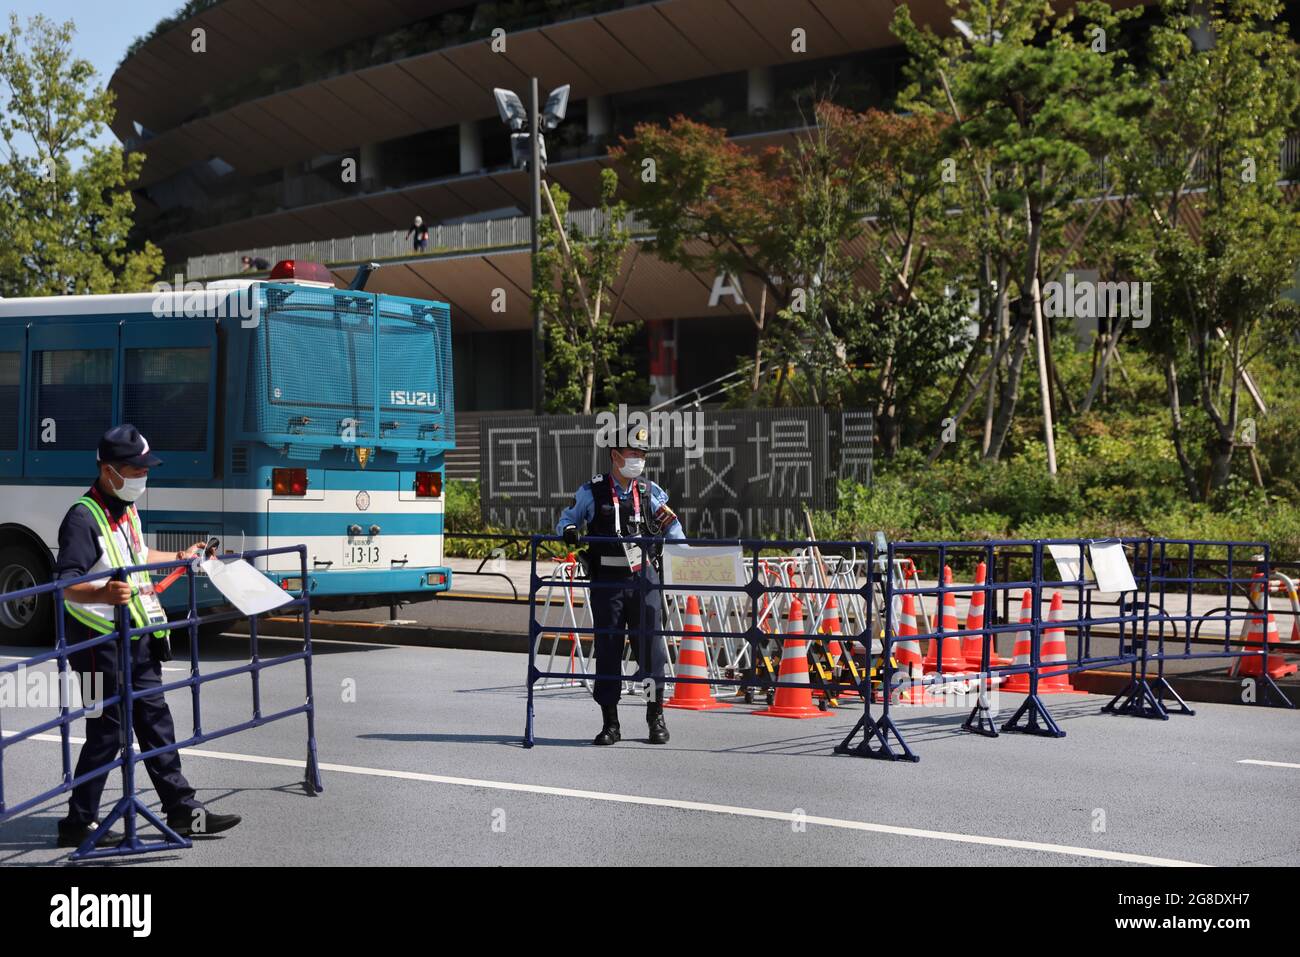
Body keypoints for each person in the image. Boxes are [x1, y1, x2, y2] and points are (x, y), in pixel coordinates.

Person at [54, 425, 241, 849]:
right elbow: (65, 582)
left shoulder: (126, 511)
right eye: (133, 468)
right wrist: (101, 591)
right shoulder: (83, 517)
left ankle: (184, 812)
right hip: (95, 646)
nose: (141, 475)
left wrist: (178, 557)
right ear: (108, 470)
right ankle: (76, 823)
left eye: (144, 468)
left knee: (157, 725)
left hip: (136, 638)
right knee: (104, 732)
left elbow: (138, 558)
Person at [556, 427, 684, 746]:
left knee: (652, 653)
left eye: (642, 455)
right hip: (607, 583)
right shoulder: (593, 491)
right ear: (615, 455)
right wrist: (569, 530)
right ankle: (610, 723)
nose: (638, 460)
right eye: (633, 454)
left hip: (644, 581)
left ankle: (656, 717)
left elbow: (673, 526)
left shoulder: (650, 491)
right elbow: (566, 520)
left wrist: (683, 554)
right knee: (609, 651)